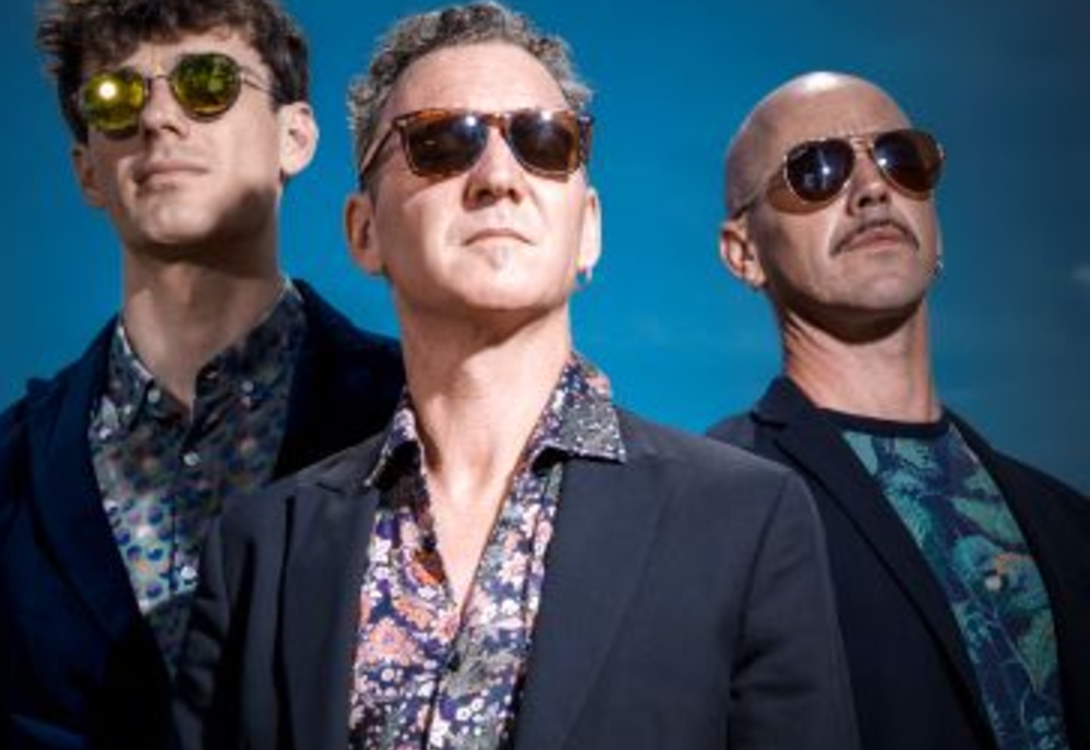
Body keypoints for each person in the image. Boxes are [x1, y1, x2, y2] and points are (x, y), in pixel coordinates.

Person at [174, 4, 858, 749]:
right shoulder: (258, 554)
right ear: (364, 231)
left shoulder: (747, 521)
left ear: (587, 228)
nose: (499, 176)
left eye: (544, 142)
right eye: (441, 141)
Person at [0, 0, 404, 747]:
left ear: (295, 136)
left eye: (207, 82)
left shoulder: (414, 414)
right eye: (116, 97)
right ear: (88, 170)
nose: (157, 118)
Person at [709, 71, 1090, 750]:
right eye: (816, 169)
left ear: (936, 230)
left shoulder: (1070, 524)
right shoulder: (710, 510)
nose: (873, 188)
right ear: (745, 254)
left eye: (901, 159)